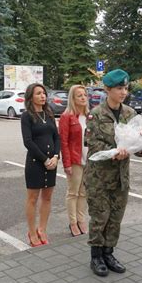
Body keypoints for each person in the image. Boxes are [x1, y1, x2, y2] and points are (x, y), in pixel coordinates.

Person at [84, 69, 142, 277]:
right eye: (119, 88)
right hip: (99, 178)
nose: (123, 92)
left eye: (125, 88)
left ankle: (109, 253)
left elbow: (136, 141)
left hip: (121, 177)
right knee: (100, 216)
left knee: (115, 217)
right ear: (107, 89)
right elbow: (93, 146)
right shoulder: (96, 114)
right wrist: (115, 153)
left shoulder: (129, 114)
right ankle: (96, 256)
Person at [21, 83, 60, 247]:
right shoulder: (27, 116)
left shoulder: (49, 113)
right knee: (32, 199)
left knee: (47, 197)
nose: (43, 96)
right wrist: (45, 159)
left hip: (52, 162)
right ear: (31, 97)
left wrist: (56, 156)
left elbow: (56, 137)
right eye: (38, 93)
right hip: (36, 163)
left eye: (44, 93)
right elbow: (28, 142)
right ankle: (31, 231)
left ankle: (42, 229)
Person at [58, 85, 90, 237]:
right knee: (73, 193)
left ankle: (81, 219)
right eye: (79, 95)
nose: (83, 97)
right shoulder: (67, 116)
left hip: (89, 160)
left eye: (84, 95)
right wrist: (67, 164)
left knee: (84, 193)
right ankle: (72, 222)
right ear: (73, 98)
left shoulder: (90, 116)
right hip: (75, 160)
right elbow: (63, 142)